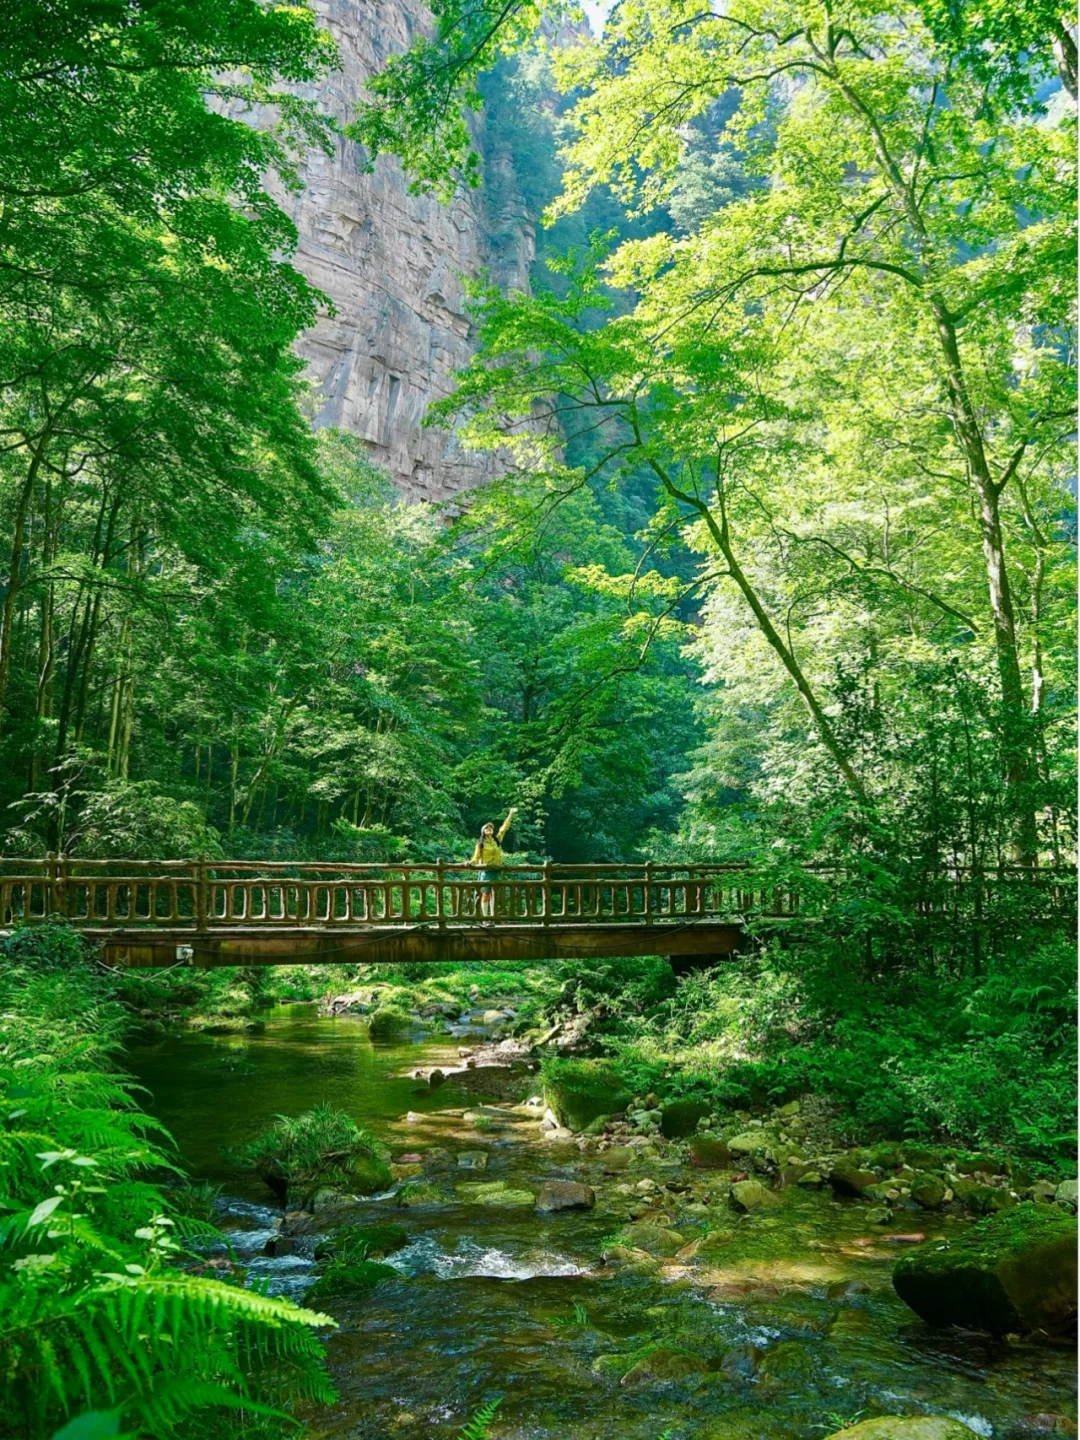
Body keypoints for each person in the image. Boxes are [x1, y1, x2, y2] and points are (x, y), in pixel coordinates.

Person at [468, 807, 517, 919]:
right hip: (486, 871)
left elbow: (504, 828)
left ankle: (493, 916)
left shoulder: (496, 840)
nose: (489, 829)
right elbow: (476, 857)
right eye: (487, 828)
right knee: (486, 893)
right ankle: (485, 917)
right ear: (483, 831)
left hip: (497, 870)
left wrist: (510, 814)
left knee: (494, 894)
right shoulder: (480, 843)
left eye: (490, 828)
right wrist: (470, 863)